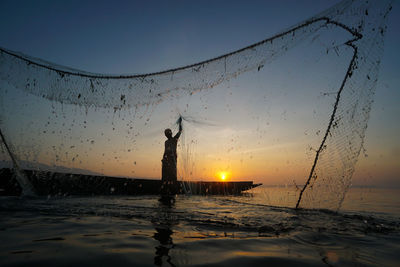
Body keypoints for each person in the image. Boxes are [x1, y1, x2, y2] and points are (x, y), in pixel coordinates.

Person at [162, 117, 182, 182]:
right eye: (166, 133)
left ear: (170, 133)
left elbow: (180, 131)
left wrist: (180, 123)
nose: (167, 134)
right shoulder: (166, 142)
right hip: (167, 157)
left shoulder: (174, 139)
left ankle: (173, 182)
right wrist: (163, 158)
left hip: (172, 157)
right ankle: (165, 182)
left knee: (173, 170)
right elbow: (165, 151)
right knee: (166, 171)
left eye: (168, 132)